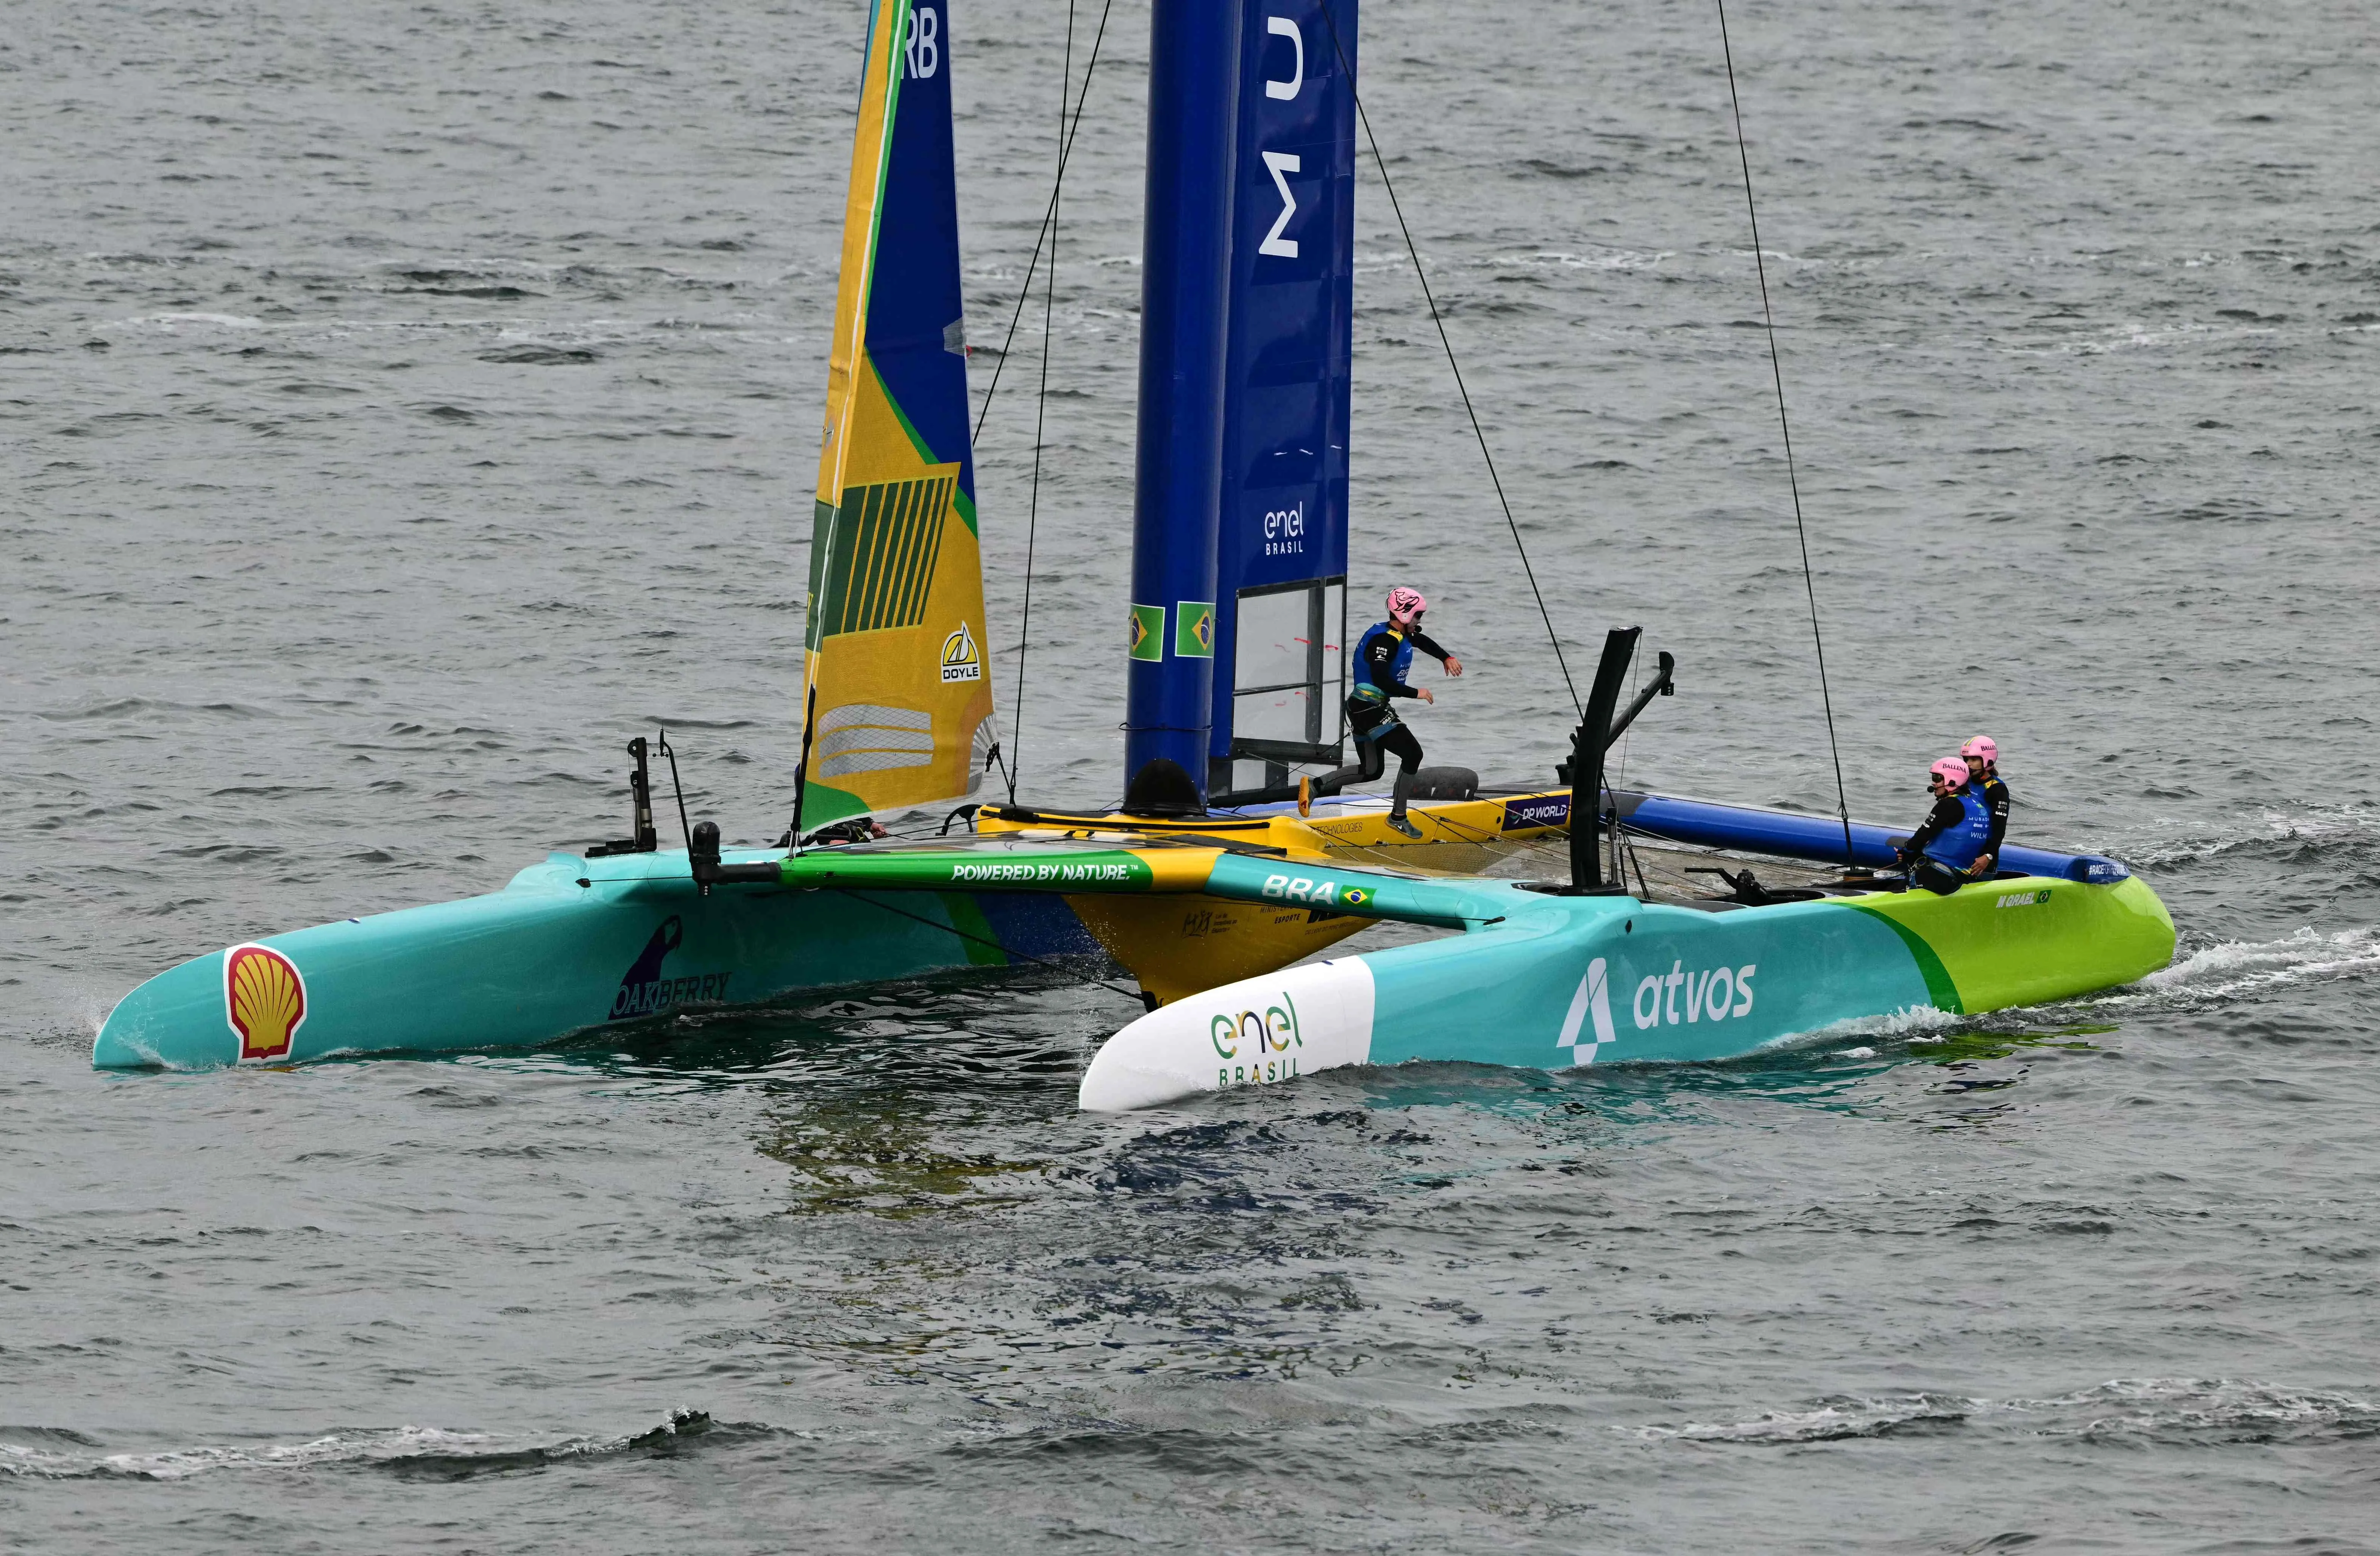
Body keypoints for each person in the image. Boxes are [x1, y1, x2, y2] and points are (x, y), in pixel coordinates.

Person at [1311, 586, 1463, 838]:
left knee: (1372, 770)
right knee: (1413, 754)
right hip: (1368, 708)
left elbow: (1421, 641)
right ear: (1404, 615)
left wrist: (1445, 658)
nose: (1419, 622)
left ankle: (1316, 786)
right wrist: (1417, 693)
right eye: (1418, 616)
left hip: (1363, 707)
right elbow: (1381, 679)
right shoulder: (1384, 641)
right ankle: (1398, 818)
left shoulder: (1396, 633)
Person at [1896, 756, 1991, 895]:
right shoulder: (1976, 805)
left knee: (1889, 890)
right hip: (1962, 877)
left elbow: (1924, 834)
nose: (1934, 783)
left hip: (1940, 877)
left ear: (1953, 781)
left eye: (1937, 778)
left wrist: (1906, 852)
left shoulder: (1948, 804)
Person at [1961, 734, 2010, 876]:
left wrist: (1988, 856)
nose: (1968, 764)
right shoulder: (1962, 782)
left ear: (1988, 761)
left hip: (1981, 856)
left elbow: (1999, 829)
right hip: (1960, 849)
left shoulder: (1998, 789)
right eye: (1966, 760)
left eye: (1974, 760)